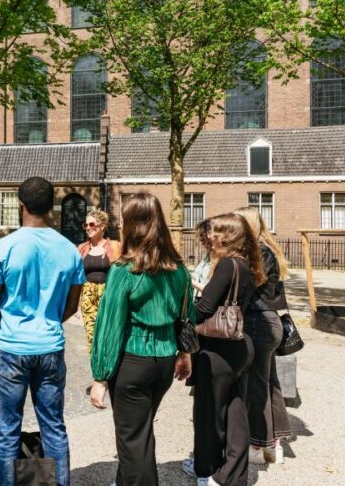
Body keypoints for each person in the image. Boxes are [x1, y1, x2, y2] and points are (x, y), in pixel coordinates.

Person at [0, 177, 85, 486]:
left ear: (20, 205)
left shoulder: (3, 247)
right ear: (52, 206)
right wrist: (48, 320)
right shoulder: (69, 250)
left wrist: (6, 325)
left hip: (11, 347)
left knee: (7, 431)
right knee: (53, 426)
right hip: (50, 346)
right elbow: (72, 306)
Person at [89, 193, 194, 485]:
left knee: (133, 439)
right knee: (140, 431)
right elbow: (187, 316)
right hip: (163, 362)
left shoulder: (125, 271)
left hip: (133, 362)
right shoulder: (179, 270)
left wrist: (100, 377)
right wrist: (184, 354)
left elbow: (109, 326)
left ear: (130, 226)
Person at [183, 213, 265, 486]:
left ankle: (207, 470)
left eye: (215, 232)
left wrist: (179, 318)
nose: (211, 236)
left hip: (217, 348)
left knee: (209, 412)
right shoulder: (247, 264)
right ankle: (233, 474)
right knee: (235, 410)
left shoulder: (227, 265)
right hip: (239, 345)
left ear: (226, 236)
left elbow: (205, 308)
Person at [235, 208, 293, 465]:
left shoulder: (257, 253)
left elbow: (246, 289)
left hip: (258, 323)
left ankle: (259, 445)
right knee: (270, 383)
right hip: (269, 321)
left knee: (258, 386)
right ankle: (274, 444)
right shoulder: (269, 250)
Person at [76, 209, 121, 355]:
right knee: (91, 336)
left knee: (108, 333)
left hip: (107, 293)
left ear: (102, 226)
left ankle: (109, 369)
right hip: (88, 295)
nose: (88, 227)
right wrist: (76, 301)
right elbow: (77, 276)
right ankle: (97, 370)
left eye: (91, 224)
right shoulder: (82, 248)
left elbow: (123, 273)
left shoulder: (114, 246)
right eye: (86, 225)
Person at [192, 219, 213, 299]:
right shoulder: (207, 255)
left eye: (202, 239)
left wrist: (191, 282)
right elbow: (197, 275)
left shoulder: (220, 259)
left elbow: (211, 291)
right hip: (199, 300)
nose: (202, 243)